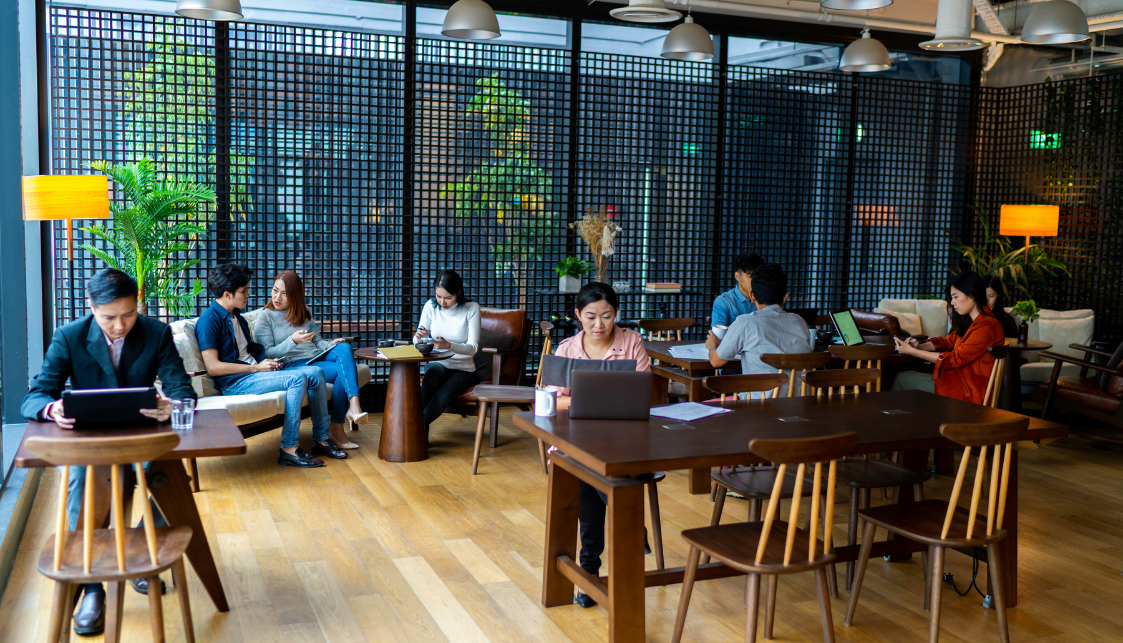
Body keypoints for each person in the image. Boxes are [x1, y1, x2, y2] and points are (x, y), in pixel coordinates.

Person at [21, 269, 195, 636]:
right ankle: (90, 588)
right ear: (92, 308)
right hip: (93, 443)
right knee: (82, 483)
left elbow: (182, 389)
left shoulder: (156, 332)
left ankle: (141, 555)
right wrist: (52, 409)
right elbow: (36, 395)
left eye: (129, 315)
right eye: (109, 317)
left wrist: (172, 405)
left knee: (169, 479)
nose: (120, 326)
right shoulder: (69, 337)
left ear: (138, 306)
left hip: (144, 437)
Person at [550, 282, 651, 608]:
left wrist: (576, 399)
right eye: (590, 316)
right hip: (577, 439)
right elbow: (551, 403)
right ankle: (631, 526)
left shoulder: (631, 341)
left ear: (616, 314)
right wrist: (583, 403)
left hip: (623, 440)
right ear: (578, 314)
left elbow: (641, 394)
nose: (599, 325)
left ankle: (589, 572)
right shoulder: (566, 349)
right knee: (590, 473)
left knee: (595, 473)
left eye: (606, 316)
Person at [195, 263, 347, 467]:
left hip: (254, 374)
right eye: (245, 291)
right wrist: (256, 368)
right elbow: (214, 367)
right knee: (297, 377)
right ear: (227, 294)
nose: (249, 294)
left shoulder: (236, 317)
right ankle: (289, 448)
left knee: (316, 372)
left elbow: (250, 353)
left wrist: (267, 363)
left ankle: (321, 439)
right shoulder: (209, 321)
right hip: (236, 383)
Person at [256, 270, 368, 449]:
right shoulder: (265, 316)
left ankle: (352, 406)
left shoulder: (304, 312)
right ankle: (338, 425)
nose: (277, 297)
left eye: (285, 293)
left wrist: (330, 344)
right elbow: (267, 354)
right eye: (275, 290)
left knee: (344, 347)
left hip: (316, 358)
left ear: (296, 295)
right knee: (343, 373)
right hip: (292, 365)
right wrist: (292, 341)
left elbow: (317, 342)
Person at [892, 271, 1006, 404]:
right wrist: (920, 346)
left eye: (956, 297)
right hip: (960, 384)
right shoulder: (973, 321)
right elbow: (948, 341)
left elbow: (955, 359)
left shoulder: (986, 327)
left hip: (968, 393)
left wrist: (913, 352)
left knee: (902, 378)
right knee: (904, 376)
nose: (952, 302)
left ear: (972, 295)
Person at [704, 263, 811, 393]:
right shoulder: (800, 322)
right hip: (800, 403)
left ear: (752, 296)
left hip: (760, 407)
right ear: (785, 297)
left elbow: (716, 362)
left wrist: (712, 346)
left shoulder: (745, 322)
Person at [412, 269, 481, 440]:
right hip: (438, 362)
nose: (442, 302)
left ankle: (413, 431)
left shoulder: (471, 309)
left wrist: (449, 345)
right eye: (438, 296)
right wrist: (419, 338)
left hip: (463, 369)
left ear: (458, 292)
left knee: (444, 393)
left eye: (448, 297)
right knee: (430, 380)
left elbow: (473, 348)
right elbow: (417, 341)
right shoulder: (430, 306)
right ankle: (419, 437)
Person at [710, 252, 765, 375]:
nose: (755, 281)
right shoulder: (724, 301)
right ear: (737, 276)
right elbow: (718, 336)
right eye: (751, 276)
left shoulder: (765, 299)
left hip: (758, 359)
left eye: (758, 276)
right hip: (732, 361)